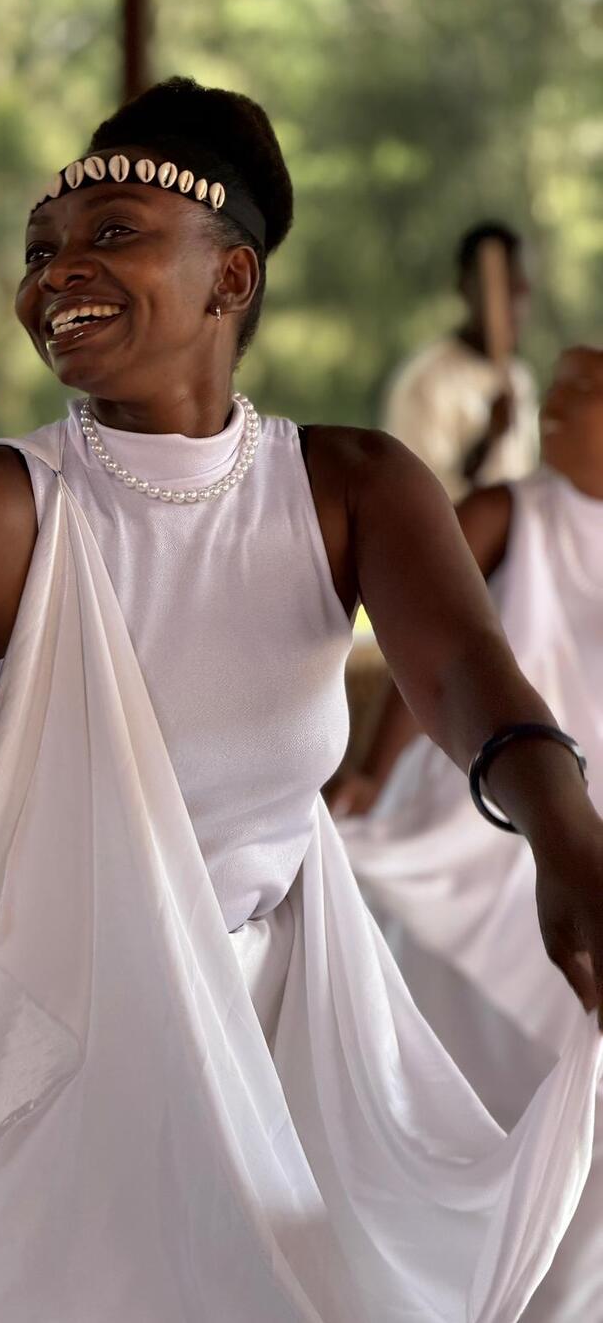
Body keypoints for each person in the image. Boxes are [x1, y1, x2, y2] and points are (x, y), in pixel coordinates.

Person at [0, 79, 602, 1323]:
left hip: (250, 1036)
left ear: (230, 278)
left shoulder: (351, 488)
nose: (56, 274)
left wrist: (568, 836)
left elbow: (467, 681)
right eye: (40, 252)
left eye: (112, 233)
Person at [333, 345, 603, 1323]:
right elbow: (441, 651)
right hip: (481, 795)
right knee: (451, 1009)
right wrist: (371, 770)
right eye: (557, 388)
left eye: (587, 390)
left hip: (587, 805)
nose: (559, 404)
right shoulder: (508, 510)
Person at [382, 221, 540, 499]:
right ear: (465, 287)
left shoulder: (519, 377)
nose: (515, 305)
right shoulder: (426, 382)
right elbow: (417, 498)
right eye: (502, 288)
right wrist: (487, 441)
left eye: (520, 289)